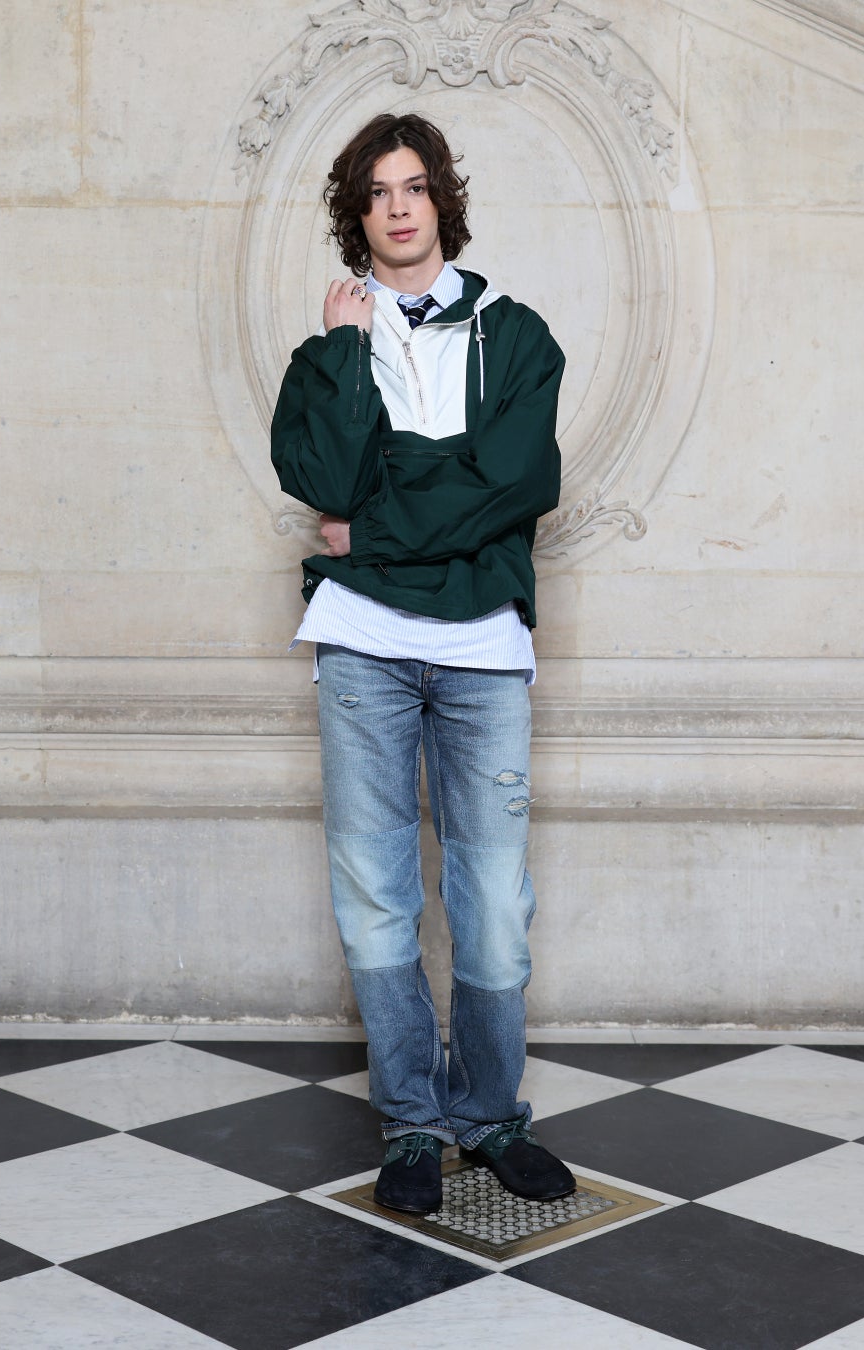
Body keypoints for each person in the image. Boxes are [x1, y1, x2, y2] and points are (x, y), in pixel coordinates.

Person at [271, 111, 574, 1215]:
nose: (398, 208)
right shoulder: (331, 349)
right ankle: (411, 1121)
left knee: (490, 898)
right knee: (375, 894)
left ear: (443, 197)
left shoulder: (516, 336)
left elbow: (518, 485)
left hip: (483, 645)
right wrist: (344, 357)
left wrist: (373, 530)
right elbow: (327, 482)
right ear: (356, 216)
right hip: (362, 644)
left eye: (414, 187)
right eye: (377, 193)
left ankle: (488, 1115)